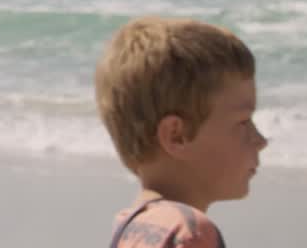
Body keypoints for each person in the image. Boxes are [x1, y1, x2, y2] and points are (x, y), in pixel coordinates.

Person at [95, 17, 269, 248]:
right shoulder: (189, 232)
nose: (261, 141)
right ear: (177, 136)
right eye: (243, 122)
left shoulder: (130, 227)